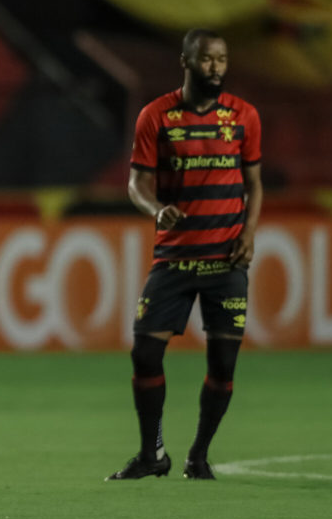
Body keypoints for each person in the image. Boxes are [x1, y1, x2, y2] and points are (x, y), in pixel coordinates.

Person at [107, 29, 263, 481]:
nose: (215, 67)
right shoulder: (156, 116)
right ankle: (152, 452)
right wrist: (157, 209)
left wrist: (249, 233)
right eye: (207, 59)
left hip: (227, 261)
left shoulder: (244, 117)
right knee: (144, 353)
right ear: (186, 61)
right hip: (175, 260)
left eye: (222, 59)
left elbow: (253, 184)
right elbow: (136, 183)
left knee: (223, 365)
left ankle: (198, 454)